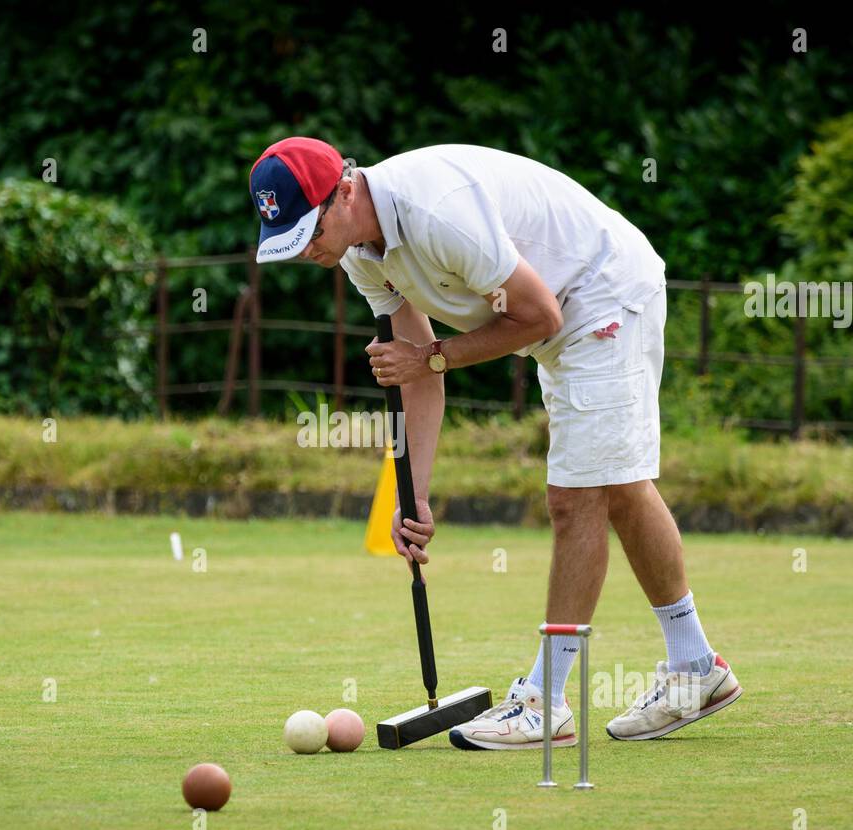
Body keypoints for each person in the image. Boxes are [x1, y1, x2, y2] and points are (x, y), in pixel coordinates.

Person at [247, 136, 742, 749]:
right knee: (617, 485)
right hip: (560, 314)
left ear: (344, 190)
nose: (308, 251)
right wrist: (416, 495)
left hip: (600, 292)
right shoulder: (358, 253)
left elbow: (531, 318)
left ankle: (545, 702)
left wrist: (432, 358)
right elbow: (417, 378)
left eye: (309, 230)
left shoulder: (435, 212)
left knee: (575, 498)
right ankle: (696, 668)